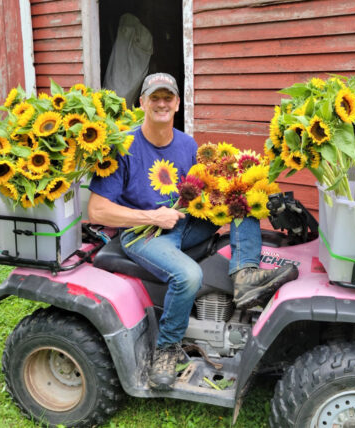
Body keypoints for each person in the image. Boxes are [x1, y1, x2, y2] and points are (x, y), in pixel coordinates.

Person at [87, 73, 298, 390]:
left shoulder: (187, 145)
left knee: (241, 197)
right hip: (143, 233)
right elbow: (96, 210)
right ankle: (166, 350)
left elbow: (199, 191)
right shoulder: (125, 147)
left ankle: (244, 275)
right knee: (188, 276)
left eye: (167, 97)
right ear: (141, 102)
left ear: (177, 104)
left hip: (185, 224)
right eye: (154, 97)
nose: (161, 103)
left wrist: (223, 190)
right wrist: (152, 216)